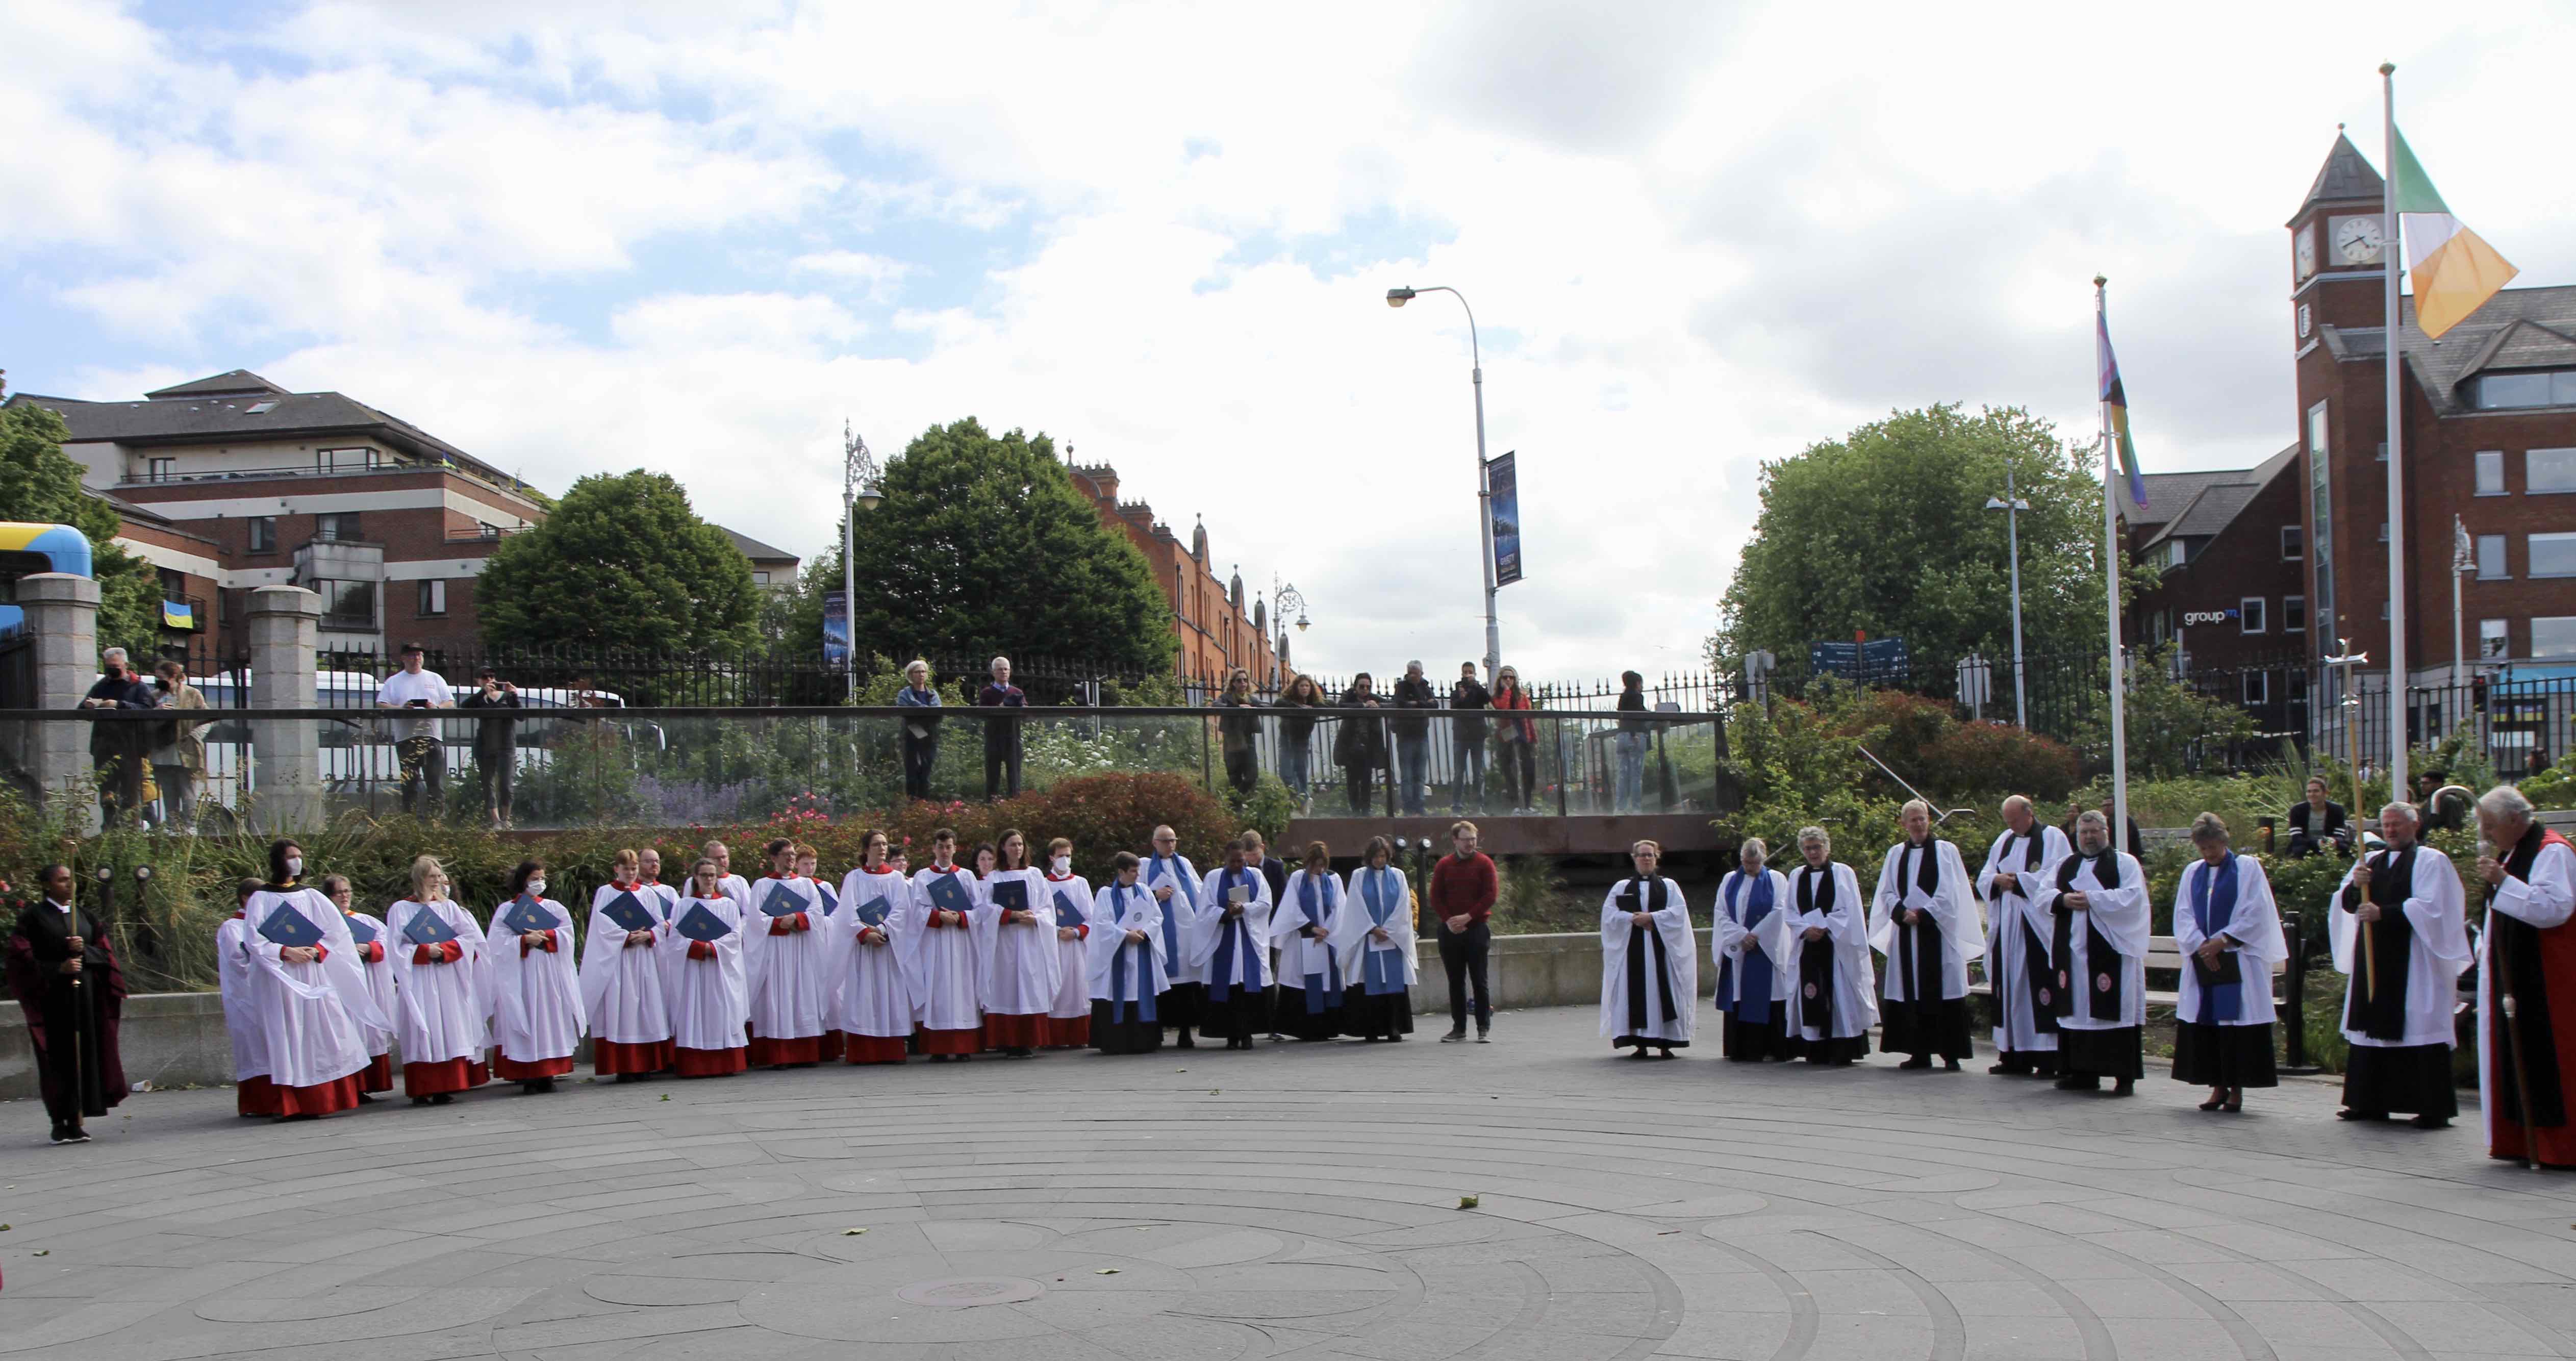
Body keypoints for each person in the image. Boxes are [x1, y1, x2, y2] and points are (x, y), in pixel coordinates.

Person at [2327, 801, 2463, 1125]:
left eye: (2397, 824)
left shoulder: (2431, 861)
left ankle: (2430, 1107)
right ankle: (2368, 1101)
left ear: (2414, 826)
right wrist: (2355, 886)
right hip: (2373, 956)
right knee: (2371, 1025)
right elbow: (2346, 903)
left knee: (2417, 1024)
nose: (2390, 830)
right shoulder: (2371, 861)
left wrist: (2384, 913)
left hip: (2413, 961)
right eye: (2386, 825)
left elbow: (2434, 907)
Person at [241, 840, 389, 1119]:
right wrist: (285, 951)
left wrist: (317, 949)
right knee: (288, 1034)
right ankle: (291, 1103)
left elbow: (337, 932)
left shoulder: (311, 896)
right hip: (281, 978)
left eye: (299, 856)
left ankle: (320, 1099)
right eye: (290, 857)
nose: (296, 861)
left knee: (321, 1033)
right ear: (278, 862)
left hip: (313, 972)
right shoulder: (262, 898)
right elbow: (253, 939)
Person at [2474, 784, 2576, 1167]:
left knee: (2546, 1057)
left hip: (2547, 977)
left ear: (2515, 820)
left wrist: (2503, 882)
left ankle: (2556, 1146)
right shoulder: (2516, 849)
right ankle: (2521, 1139)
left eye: (2490, 825)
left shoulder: (2551, 850)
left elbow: (2554, 909)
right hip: (2515, 969)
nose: (2486, 835)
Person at [2171, 813, 2286, 1113]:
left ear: (2224, 841)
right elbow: (2183, 914)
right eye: (2203, 848)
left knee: (2234, 1024)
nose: (2209, 853)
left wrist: (2223, 941)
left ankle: (2237, 1089)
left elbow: (2257, 910)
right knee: (2210, 1023)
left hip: (2238, 959)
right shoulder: (2192, 872)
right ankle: (2217, 1086)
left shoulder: (2247, 868)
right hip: (2204, 960)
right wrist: (2201, 944)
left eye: (2213, 846)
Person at [6, 864, 126, 1144]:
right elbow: (19, 959)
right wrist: (57, 969)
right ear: (48, 885)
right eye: (61, 880)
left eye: (70, 879)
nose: (68, 884)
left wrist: (85, 951)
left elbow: (105, 954)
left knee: (84, 1057)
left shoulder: (84, 916)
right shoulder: (33, 918)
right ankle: (59, 1121)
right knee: (58, 1060)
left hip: (85, 1000)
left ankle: (78, 1119)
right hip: (53, 1002)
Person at [1869, 800, 1982, 1072]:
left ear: (1929, 820)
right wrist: (1902, 912)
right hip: (1907, 933)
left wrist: (1923, 913)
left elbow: (1950, 891)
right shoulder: (1896, 854)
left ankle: (1950, 1053)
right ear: (1903, 824)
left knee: (1943, 990)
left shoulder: (1945, 851)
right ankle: (1918, 1052)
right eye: (1913, 820)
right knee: (1912, 991)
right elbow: (1885, 891)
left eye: (1922, 819)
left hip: (1938, 934)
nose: (1918, 825)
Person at [2044, 811, 2149, 1096]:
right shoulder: (2065, 865)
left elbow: (2133, 898)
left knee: (2112, 1011)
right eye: (2084, 832)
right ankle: (2081, 1073)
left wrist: (2092, 898)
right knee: (2077, 1009)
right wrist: (2062, 898)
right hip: (2073, 953)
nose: (2089, 837)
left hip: (2111, 950)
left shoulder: (2125, 863)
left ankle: (2123, 1077)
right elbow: (2042, 895)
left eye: (2094, 831)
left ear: (2106, 832)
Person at [1975, 796, 2072, 1077]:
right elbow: (1984, 875)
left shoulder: (2053, 837)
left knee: (2038, 988)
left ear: (2029, 814)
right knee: (2009, 990)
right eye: (2008, 821)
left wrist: (2016, 881)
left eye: (2015, 820)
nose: (2011, 826)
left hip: (2036, 928)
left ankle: (2046, 1058)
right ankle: (2013, 1056)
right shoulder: (2004, 839)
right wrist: (1997, 881)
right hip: (2008, 926)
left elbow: (2057, 875)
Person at [383, 855, 489, 1106]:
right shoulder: (401, 909)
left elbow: (468, 938)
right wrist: (421, 952)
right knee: (424, 1027)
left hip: (446, 976)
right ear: (420, 878)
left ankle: (446, 1086)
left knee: (449, 1026)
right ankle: (421, 1088)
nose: (438, 881)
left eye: (439, 876)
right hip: (419, 978)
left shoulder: (449, 907)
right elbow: (395, 946)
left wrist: (445, 950)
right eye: (432, 876)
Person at [485, 859, 582, 1094]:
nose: (539, 883)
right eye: (534, 879)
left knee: (549, 1018)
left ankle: (548, 1074)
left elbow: (568, 936)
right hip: (522, 974)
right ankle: (527, 1075)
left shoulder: (554, 907)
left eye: (542, 878)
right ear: (523, 881)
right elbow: (496, 944)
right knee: (525, 1015)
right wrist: (524, 940)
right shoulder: (508, 910)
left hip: (549, 974)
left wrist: (547, 935)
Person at [1784, 826, 1875, 1065]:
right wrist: (1805, 929)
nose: (1813, 852)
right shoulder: (1796, 876)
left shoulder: (1842, 873)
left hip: (1835, 947)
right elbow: (1790, 910)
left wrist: (1824, 927)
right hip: (1808, 946)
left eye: (1817, 847)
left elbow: (1850, 908)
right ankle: (1815, 1048)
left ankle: (1841, 1048)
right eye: (1808, 848)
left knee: (1839, 995)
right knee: (1810, 992)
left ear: (1827, 847)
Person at [583, 849, 676, 1081]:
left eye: (634, 869)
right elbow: (601, 926)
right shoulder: (606, 892)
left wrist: (649, 936)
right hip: (620, 960)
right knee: (621, 1007)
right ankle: (624, 1067)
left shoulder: (646, 893)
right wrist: (625, 937)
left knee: (646, 1007)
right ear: (617, 869)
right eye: (626, 869)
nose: (631, 873)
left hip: (643, 957)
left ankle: (645, 1065)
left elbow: (658, 923)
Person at [1601, 840, 1695, 1057]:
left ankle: (1665, 1043)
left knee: (1663, 991)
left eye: (1650, 855)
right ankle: (1639, 1043)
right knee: (1635, 992)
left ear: (1656, 858)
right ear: (1634, 859)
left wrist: (1652, 917)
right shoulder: (1622, 887)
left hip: (1661, 952)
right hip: (1633, 951)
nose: (1646, 859)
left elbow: (1679, 914)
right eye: (1642, 855)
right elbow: (1609, 916)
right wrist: (1634, 919)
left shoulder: (1669, 886)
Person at [744, 837, 831, 1068]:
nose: (792, 858)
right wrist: (776, 923)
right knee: (778, 996)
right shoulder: (762, 885)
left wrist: (798, 918)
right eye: (787, 855)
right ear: (774, 858)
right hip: (776, 950)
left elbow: (817, 913)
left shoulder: (806, 884)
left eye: (793, 854)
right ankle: (780, 1055)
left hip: (801, 949)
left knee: (803, 995)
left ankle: (806, 1053)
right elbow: (754, 919)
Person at [901, 828, 985, 1062]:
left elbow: (979, 911)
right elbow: (915, 911)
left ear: (955, 849)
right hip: (935, 943)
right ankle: (938, 1048)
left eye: (949, 847)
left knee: (962, 989)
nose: (945, 851)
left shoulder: (967, 876)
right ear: (934, 849)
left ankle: (963, 1047)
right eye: (941, 847)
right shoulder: (923, 876)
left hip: (960, 943)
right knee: (937, 989)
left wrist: (961, 917)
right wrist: (939, 917)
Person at [975, 829, 1060, 1058]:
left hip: (1030, 939)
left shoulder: (1035, 875)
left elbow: (1047, 908)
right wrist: (1010, 915)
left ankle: (1028, 1040)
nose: (1017, 849)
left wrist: (1036, 918)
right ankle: (1008, 1041)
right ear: (1003, 848)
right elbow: (985, 909)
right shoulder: (994, 877)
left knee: (1029, 985)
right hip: (1005, 941)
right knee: (1007, 987)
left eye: (1020, 844)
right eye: (1012, 845)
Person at [835, 830, 916, 1064]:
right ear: (866, 849)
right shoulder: (854, 878)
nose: (882, 849)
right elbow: (846, 911)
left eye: (885, 845)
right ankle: (864, 1051)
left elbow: (902, 910)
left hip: (887, 947)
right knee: (864, 995)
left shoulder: (896, 879)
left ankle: (891, 1050)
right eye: (877, 845)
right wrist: (863, 932)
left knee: (889, 993)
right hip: (864, 948)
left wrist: (881, 930)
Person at [1714, 838, 1798, 1062]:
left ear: (1763, 859)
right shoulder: (1730, 880)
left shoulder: (1777, 879)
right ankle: (1741, 1049)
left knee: (1770, 994)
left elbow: (1780, 909)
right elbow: (1721, 911)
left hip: (1765, 950)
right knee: (1739, 993)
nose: (1750, 868)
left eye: (1754, 863)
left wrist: (1756, 935)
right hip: (1739, 949)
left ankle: (1773, 1048)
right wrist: (1741, 935)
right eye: (1746, 863)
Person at [667, 858, 749, 1077]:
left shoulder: (729, 905)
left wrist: (712, 948)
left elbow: (735, 936)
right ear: (696, 877)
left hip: (719, 968)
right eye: (704, 875)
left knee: (722, 1010)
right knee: (694, 1010)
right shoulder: (684, 905)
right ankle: (695, 1065)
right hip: (694, 969)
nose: (709, 879)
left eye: (712, 875)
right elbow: (674, 938)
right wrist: (696, 947)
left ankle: (725, 1064)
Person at [1194, 837, 1276, 1050]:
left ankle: (1247, 1034)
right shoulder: (1213, 878)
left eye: (1241, 861)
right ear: (1225, 860)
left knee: (1247, 988)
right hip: (1225, 938)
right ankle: (1231, 1034)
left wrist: (1245, 909)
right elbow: (1204, 910)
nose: (1238, 866)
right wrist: (1225, 913)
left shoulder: (1256, 875)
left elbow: (1266, 903)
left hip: (1249, 938)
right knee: (1229, 989)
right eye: (1233, 862)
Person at [323, 873, 394, 1100]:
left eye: (348, 891)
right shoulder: (324, 924)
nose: (344, 896)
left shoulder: (367, 921)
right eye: (339, 893)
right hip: (343, 988)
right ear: (328, 897)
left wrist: (368, 948)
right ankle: (353, 1087)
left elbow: (386, 942)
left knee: (370, 1031)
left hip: (369, 984)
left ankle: (370, 1083)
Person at [1340, 837, 1418, 1041]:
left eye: (1383, 856)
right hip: (1369, 938)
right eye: (1376, 857)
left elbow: (1403, 905)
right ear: (1369, 857)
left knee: (1393, 984)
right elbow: (1355, 905)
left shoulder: (1398, 876)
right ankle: (1371, 1028)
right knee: (1370, 984)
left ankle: (1394, 1026)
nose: (1379, 860)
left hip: (1392, 939)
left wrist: (1389, 930)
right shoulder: (1359, 876)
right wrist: (1372, 928)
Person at [1088, 853, 1166, 1055]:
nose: (1138, 875)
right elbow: (1102, 924)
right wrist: (1124, 935)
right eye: (1133, 871)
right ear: (1121, 872)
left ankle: (1145, 1041)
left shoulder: (1146, 892)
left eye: (1138, 870)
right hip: (1117, 954)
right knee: (1117, 992)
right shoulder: (1105, 895)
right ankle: (1115, 1042)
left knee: (1140, 990)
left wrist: (1145, 932)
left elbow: (1157, 916)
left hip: (1141, 952)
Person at [1429, 820, 1497, 1043]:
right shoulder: (1444, 865)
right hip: (1450, 931)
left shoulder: (1485, 864)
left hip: (1476, 929)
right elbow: (1435, 897)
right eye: (1466, 839)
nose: (1470, 843)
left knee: (1480, 979)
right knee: (1455, 981)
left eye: (1473, 839)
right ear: (1455, 840)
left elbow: (1490, 896)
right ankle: (1459, 1028)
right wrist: (1449, 920)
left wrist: (1468, 917)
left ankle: (1483, 1027)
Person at [1273, 840, 1348, 1041]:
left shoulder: (1334, 880)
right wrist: (1311, 928)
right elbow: (1291, 908)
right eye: (1316, 865)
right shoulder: (1298, 879)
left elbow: (1339, 907)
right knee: (1303, 981)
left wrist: (1327, 930)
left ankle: (1329, 1027)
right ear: (1309, 862)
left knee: (1328, 980)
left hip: (1326, 940)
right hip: (1303, 940)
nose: (1320, 869)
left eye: (1323, 864)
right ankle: (1305, 1028)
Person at [81, 646, 158, 825]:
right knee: (108, 797)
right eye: (109, 666)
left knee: (130, 798)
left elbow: (148, 709)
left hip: (130, 750)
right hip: (105, 750)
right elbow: (81, 710)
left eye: (115, 665)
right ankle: (109, 833)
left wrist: (120, 704)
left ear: (126, 665)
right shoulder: (102, 686)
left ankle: (131, 835)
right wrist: (89, 706)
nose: (112, 669)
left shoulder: (138, 687)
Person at [217, 876, 274, 1117]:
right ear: (246, 899)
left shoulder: (265, 924)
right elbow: (240, 960)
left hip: (269, 995)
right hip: (246, 997)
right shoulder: (232, 927)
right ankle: (258, 1103)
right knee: (255, 1049)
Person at [375, 642, 451, 817]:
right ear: (403, 658)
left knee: (436, 782)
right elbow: (382, 704)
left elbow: (449, 702)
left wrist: (436, 708)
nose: (416, 659)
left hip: (432, 736)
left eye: (419, 655)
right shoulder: (394, 681)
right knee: (409, 782)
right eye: (411, 655)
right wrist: (401, 709)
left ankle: (437, 820)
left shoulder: (435, 678)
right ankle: (410, 820)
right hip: (406, 738)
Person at [1144, 825, 1205, 1047]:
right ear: (1155, 843)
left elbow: (1199, 891)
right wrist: (1154, 894)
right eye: (1165, 840)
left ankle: (1185, 1031)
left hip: (1187, 931)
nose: (1170, 844)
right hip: (1163, 932)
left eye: (1173, 840)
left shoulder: (1185, 864)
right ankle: (1158, 1030)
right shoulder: (1145, 866)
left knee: (1188, 985)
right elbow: (1136, 895)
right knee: (1164, 983)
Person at [1039, 838, 1093, 1049]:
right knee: (1056, 988)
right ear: (1052, 857)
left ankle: (1078, 1036)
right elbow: (1041, 914)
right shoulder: (1043, 884)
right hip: (1054, 944)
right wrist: (1056, 931)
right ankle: (1054, 1038)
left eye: (1068, 856)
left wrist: (1078, 932)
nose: (1065, 860)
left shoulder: (1081, 883)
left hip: (1077, 945)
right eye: (1061, 856)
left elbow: (1092, 916)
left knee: (1078, 988)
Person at [147, 660, 209, 831]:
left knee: (187, 790)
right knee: (168, 792)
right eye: (157, 677)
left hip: (186, 750)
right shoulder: (153, 697)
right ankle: (173, 826)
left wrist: (196, 736)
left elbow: (207, 718)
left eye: (161, 677)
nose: (158, 681)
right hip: (162, 750)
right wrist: (156, 711)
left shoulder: (192, 693)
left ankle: (190, 827)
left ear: (174, 677)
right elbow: (144, 722)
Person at [460, 667, 522, 829]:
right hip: (485, 745)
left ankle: (506, 819)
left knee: (506, 783)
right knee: (488, 783)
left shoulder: (507, 697)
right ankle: (495, 821)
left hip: (506, 745)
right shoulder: (479, 699)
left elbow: (521, 716)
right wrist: (483, 693)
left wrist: (515, 695)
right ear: (478, 681)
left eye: (492, 677)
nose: (489, 680)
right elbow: (463, 708)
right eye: (484, 677)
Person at [1243, 828, 1290, 1040]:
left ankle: (1273, 1024)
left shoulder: (1275, 868)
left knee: (1270, 973)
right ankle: (1251, 1021)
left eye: (1254, 855)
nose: (1251, 860)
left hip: (1270, 930)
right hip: (1247, 931)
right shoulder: (1240, 870)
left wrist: (1275, 927)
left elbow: (1283, 898)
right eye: (1248, 856)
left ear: (1263, 848)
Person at [1334, 674, 1389, 814]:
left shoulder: (1374, 698)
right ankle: (1355, 810)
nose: (1365, 689)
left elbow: (1394, 704)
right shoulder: (1349, 696)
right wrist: (1363, 706)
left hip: (1369, 745)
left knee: (1366, 779)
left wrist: (1378, 706)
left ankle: (1366, 810)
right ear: (1355, 687)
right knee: (1352, 780)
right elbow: (1340, 706)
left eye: (1368, 687)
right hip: (1350, 745)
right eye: (1362, 686)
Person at [1389, 661, 1436, 816]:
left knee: (1420, 774)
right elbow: (1401, 704)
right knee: (1407, 775)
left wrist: (1416, 703)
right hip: (1405, 736)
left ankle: (1420, 805)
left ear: (1421, 673)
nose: (1412, 675)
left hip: (1422, 734)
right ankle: (1408, 807)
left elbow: (1434, 705)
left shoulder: (1425, 686)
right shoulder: (1402, 687)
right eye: (1410, 672)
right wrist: (1423, 704)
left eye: (1415, 672)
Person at [977, 656, 1026, 801]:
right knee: (993, 778)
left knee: (1015, 778)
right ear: (993, 672)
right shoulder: (986, 693)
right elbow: (983, 715)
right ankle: (990, 806)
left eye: (1006, 669)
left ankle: (1015, 807)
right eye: (1000, 669)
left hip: (1013, 739)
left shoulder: (1017, 692)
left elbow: (1026, 714)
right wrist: (1001, 708)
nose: (1003, 672)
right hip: (994, 739)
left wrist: (1021, 708)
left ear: (1010, 672)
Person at [1491, 665, 1537, 814]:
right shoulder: (1498, 695)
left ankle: (1527, 804)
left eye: (1511, 677)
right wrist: (1506, 691)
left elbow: (1528, 718)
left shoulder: (1522, 696)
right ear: (1501, 680)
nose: (1509, 680)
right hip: (1507, 736)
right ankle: (1516, 803)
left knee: (1528, 770)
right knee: (1510, 771)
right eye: (1505, 677)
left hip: (1523, 735)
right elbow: (1502, 708)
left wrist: (1533, 737)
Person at [896, 660, 943, 802]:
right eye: (917, 672)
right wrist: (923, 716)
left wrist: (921, 713)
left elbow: (937, 715)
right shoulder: (904, 694)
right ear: (911, 675)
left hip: (930, 737)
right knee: (912, 774)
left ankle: (924, 806)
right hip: (911, 737)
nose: (921, 675)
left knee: (926, 773)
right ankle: (912, 806)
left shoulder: (933, 695)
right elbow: (907, 716)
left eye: (923, 671)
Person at [1275, 674, 1325, 807]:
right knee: (1286, 773)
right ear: (1296, 688)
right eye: (1302, 686)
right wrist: (1299, 708)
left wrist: (1312, 708)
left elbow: (1328, 705)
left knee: (1301, 771)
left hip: (1302, 740)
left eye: (1307, 686)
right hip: (1287, 739)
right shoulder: (1288, 700)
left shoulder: (1314, 701)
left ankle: (1302, 801)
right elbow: (1278, 704)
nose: (1304, 688)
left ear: (1311, 688)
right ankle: (1299, 799)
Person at [1448, 662, 1491, 814]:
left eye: (1470, 672)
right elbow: (1454, 708)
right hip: (1461, 736)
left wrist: (1476, 686)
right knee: (1459, 772)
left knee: (1478, 772)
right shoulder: (1457, 691)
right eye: (1465, 672)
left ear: (1475, 673)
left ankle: (1477, 806)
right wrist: (1462, 697)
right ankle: (1456, 806)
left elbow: (1487, 699)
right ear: (1462, 673)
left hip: (1477, 735)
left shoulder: (1479, 690)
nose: (1468, 675)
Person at [1215, 668, 1262, 797]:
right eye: (1239, 680)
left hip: (1248, 740)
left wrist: (1252, 708)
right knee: (1234, 777)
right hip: (1232, 741)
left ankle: (1237, 799)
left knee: (1252, 776)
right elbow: (1215, 705)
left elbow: (1267, 706)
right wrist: (1237, 708)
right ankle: (1237, 807)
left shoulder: (1251, 699)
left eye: (1245, 680)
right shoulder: (1226, 697)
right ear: (1233, 683)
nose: (1243, 683)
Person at [2286, 776, 2353, 860]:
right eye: (2309, 792)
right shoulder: (2297, 810)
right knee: (2299, 849)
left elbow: (2340, 836)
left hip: (2329, 844)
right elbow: (2297, 838)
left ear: (2325, 793)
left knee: (2344, 848)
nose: (2312, 794)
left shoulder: (2337, 810)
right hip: (2306, 845)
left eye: (2316, 791)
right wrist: (2318, 843)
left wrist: (2333, 841)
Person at [1613, 671, 1650, 814]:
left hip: (1621, 736)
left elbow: (1623, 715)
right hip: (1635, 736)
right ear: (1637, 684)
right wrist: (1635, 734)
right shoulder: (1637, 696)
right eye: (1641, 683)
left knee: (1622, 775)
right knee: (1636, 775)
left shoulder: (1623, 697)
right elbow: (1637, 715)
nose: (1642, 687)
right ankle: (1636, 808)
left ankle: (1620, 808)